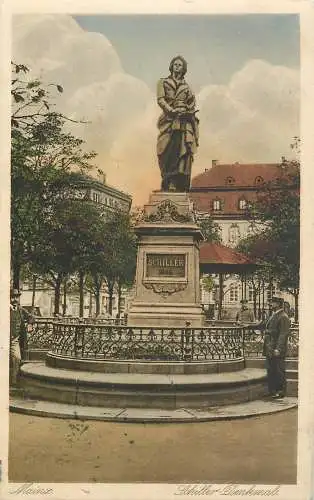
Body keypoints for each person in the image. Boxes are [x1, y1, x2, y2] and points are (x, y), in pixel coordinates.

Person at [157, 55, 199, 192]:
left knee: (182, 151)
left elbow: (192, 103)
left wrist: (186, 111)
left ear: (184, 69)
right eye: (175, 64)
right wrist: (172, 110)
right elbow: (160, 100)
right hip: (168, 121)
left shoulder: (187, 87)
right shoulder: (163, 82)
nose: (177, 67)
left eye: (180, 65)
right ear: (171, 66)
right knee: (165, 150)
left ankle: (176, 182)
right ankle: (167, 179)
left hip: (183, 122)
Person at [263, 296, 290, 399]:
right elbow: (263, 324)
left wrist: (278, 348)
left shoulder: (283, 316)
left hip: (276, 349)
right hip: (270, 348)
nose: (271, 304)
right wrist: (247, 326)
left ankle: (281, 391)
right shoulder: (274, 315)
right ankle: (273, 391)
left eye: (273, 302)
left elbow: (283, 334)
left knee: (279, 370)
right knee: (271, 369)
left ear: (278, 304)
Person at [9, 289, 27, 386]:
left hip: (14, 340)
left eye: (16, 297)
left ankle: (14, 380)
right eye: (12, 297)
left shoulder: (20, 309)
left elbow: (31, 317)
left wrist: (30, 324)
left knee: (17, 358)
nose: (14, 299)